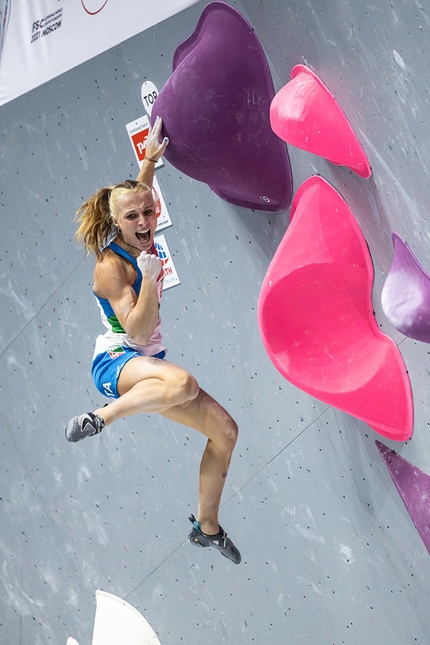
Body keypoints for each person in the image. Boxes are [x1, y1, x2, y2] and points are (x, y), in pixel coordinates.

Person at [64, 117, 241, 564]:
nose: (145, 221)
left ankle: (207, 527)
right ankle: (101, 418)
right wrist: (146, 279)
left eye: (149, 211)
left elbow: (136, 194)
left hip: (149, 363)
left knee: (225, 432)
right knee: (182, 383)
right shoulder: (112, 266)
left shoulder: (139, 218)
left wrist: (147, 162)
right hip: (117, 361)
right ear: (116, 222)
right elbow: (138, 331)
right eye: (133, 217)